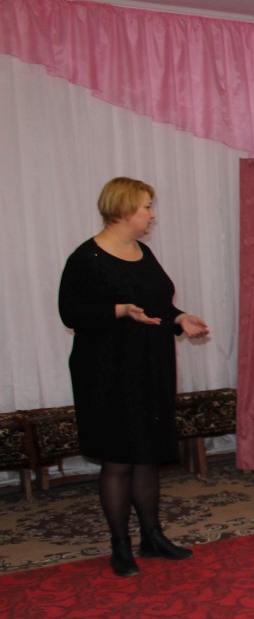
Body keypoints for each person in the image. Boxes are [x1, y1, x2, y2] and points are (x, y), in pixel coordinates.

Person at [58, 176, 210, 578]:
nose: (152, 215)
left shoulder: (143, 252)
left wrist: (180, 317)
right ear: (124, 210)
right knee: (118, 458)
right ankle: (120, 545)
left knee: (147, 455)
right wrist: (120, 310)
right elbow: (71, 313)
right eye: (146, 207)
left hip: (149, 366)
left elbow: (158, 304)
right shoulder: (86, 258)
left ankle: (152, 537)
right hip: (106, 372)